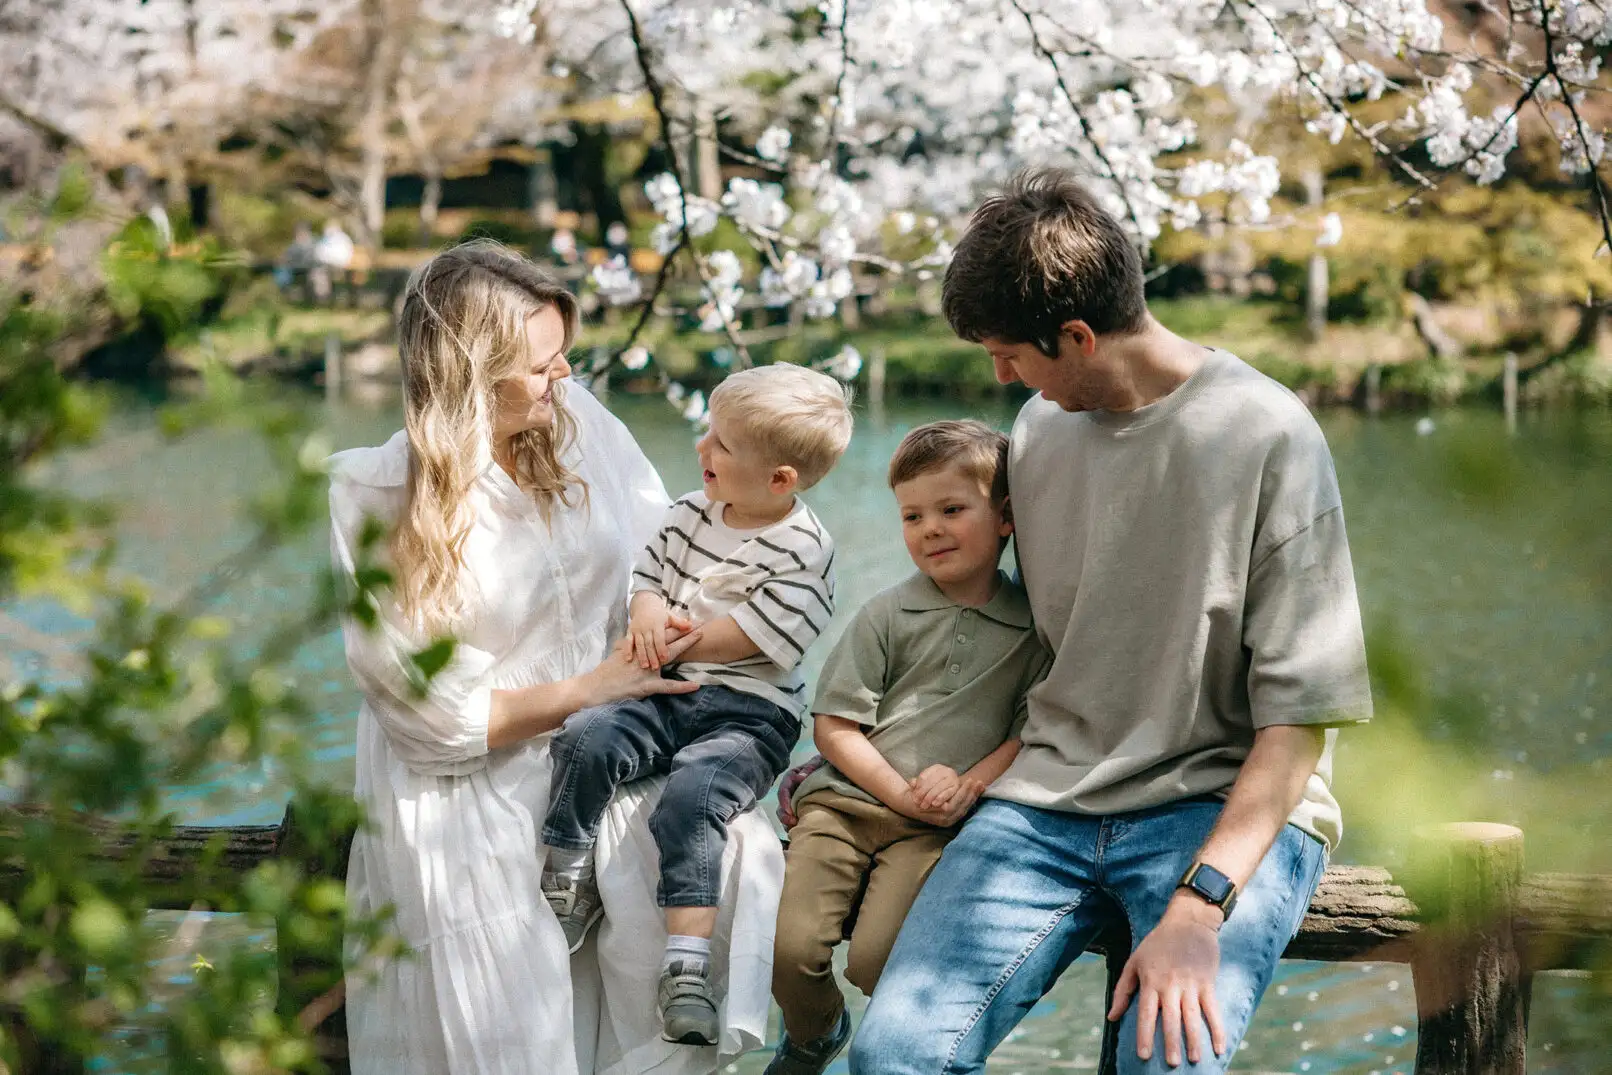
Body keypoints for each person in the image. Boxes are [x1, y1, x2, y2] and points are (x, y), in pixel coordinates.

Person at [850, 168, 1373, 1074]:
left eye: (1011, 353)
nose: (1002, 375)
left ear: (1080, 336)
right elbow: (992, 621)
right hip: (1044, 806)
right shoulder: (1040, 432)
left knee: (1164, 1064)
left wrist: (1200, 907)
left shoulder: (1268, 435)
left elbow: (1300, 720)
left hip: (1217, 810)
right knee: (891, 1057)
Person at [328, 240, 781, 1075]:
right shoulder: (375, 496)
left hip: (610, 743)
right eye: (540, 363)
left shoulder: (581, 429)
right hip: (468, 790)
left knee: (719, 877)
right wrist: (589, 688)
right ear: (473, 373)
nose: (564, 372)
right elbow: (432, 721)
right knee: (516, 1038)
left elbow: (668, 554)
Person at [539, 362, 853, 1046]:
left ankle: (685, 964)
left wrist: (668, 636)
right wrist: (647, 607)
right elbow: (647, 576)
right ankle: (567, 871)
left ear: (779, 480)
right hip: (662, 684)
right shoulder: (689, 512)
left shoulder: (806, 548)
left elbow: (751, 637)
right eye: (708, 432)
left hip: (749, 710)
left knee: (695, 796)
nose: (702, 449)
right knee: (586, 736)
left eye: (722, 445)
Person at [764, 420, 1052, 1075]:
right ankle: (815, 1030)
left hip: (934, 831)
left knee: (879, 959)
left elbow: (1026, 734)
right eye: (912, 515)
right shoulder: (887, 614)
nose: (930, 529)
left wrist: (969, 784)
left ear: (1005, 517)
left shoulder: (1033, 629)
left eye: (952, 509)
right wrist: (898, 791)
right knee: (789, 946)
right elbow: (835, 726)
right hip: (842, 806)